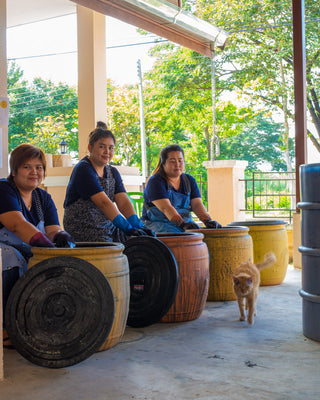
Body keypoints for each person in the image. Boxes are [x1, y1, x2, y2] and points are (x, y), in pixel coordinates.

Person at [1, 144, 75, 347]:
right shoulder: (4, 189)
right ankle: (6, 327)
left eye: (39, 167)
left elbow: (52, 230)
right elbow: (16, 224)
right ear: (14, 171)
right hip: (4, 251)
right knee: (9, 257)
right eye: (27, 167)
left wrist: (62, 238)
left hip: (30, 249)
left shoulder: (43, 198)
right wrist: (47, 249)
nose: (35, 172)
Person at [63, 123, 155, 243]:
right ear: (90, 148)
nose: (107, 151)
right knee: (111, 250)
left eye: (111, 148)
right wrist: (126, 227)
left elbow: (124, 202)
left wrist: (137, 224)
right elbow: (103, 203)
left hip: (106, 225)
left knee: (138, 241)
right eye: (102, 147)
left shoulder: (112, 171)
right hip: (82, 226)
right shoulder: (83, 169)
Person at [141, 144, 222, 233]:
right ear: (163, 163)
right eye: (172, 161)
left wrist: (207, 221)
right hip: (157, 225)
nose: (177, 164)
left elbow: (197, 204)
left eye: (180, 161)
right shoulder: (155, 182)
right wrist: (182, 224)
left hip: (183, 224)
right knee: (180, 237)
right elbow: (166, 208)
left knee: (203, 236)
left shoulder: (189, 180)